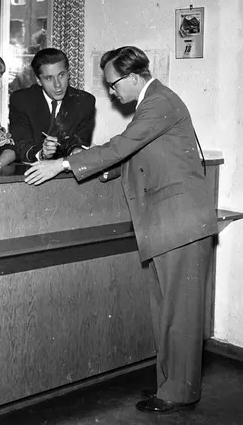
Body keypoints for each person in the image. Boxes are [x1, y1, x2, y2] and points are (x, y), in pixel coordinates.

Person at [24, 46, 218, 415]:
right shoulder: (153, 103)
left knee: (179, 314)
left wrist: (62, 164)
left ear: (132, 77)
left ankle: (179, 392)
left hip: (180, 222)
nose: (112, 93)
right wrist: (93, 162)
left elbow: (124, 145)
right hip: (170, 222)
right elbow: (135, 153)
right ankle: (171, 385)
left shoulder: (159, 102)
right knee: (168, 311)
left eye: (113, 85)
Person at [9, 48, 95, 163]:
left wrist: (76, 151)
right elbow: (21, 144)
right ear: (39, 80)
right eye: (49, 78)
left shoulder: (85, 102)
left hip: (66, 169)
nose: (57, 84)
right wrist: (42, 154)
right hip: (31, 169)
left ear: (68, 74)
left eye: (61, 75)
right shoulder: (21, 100)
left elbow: (79, 141)